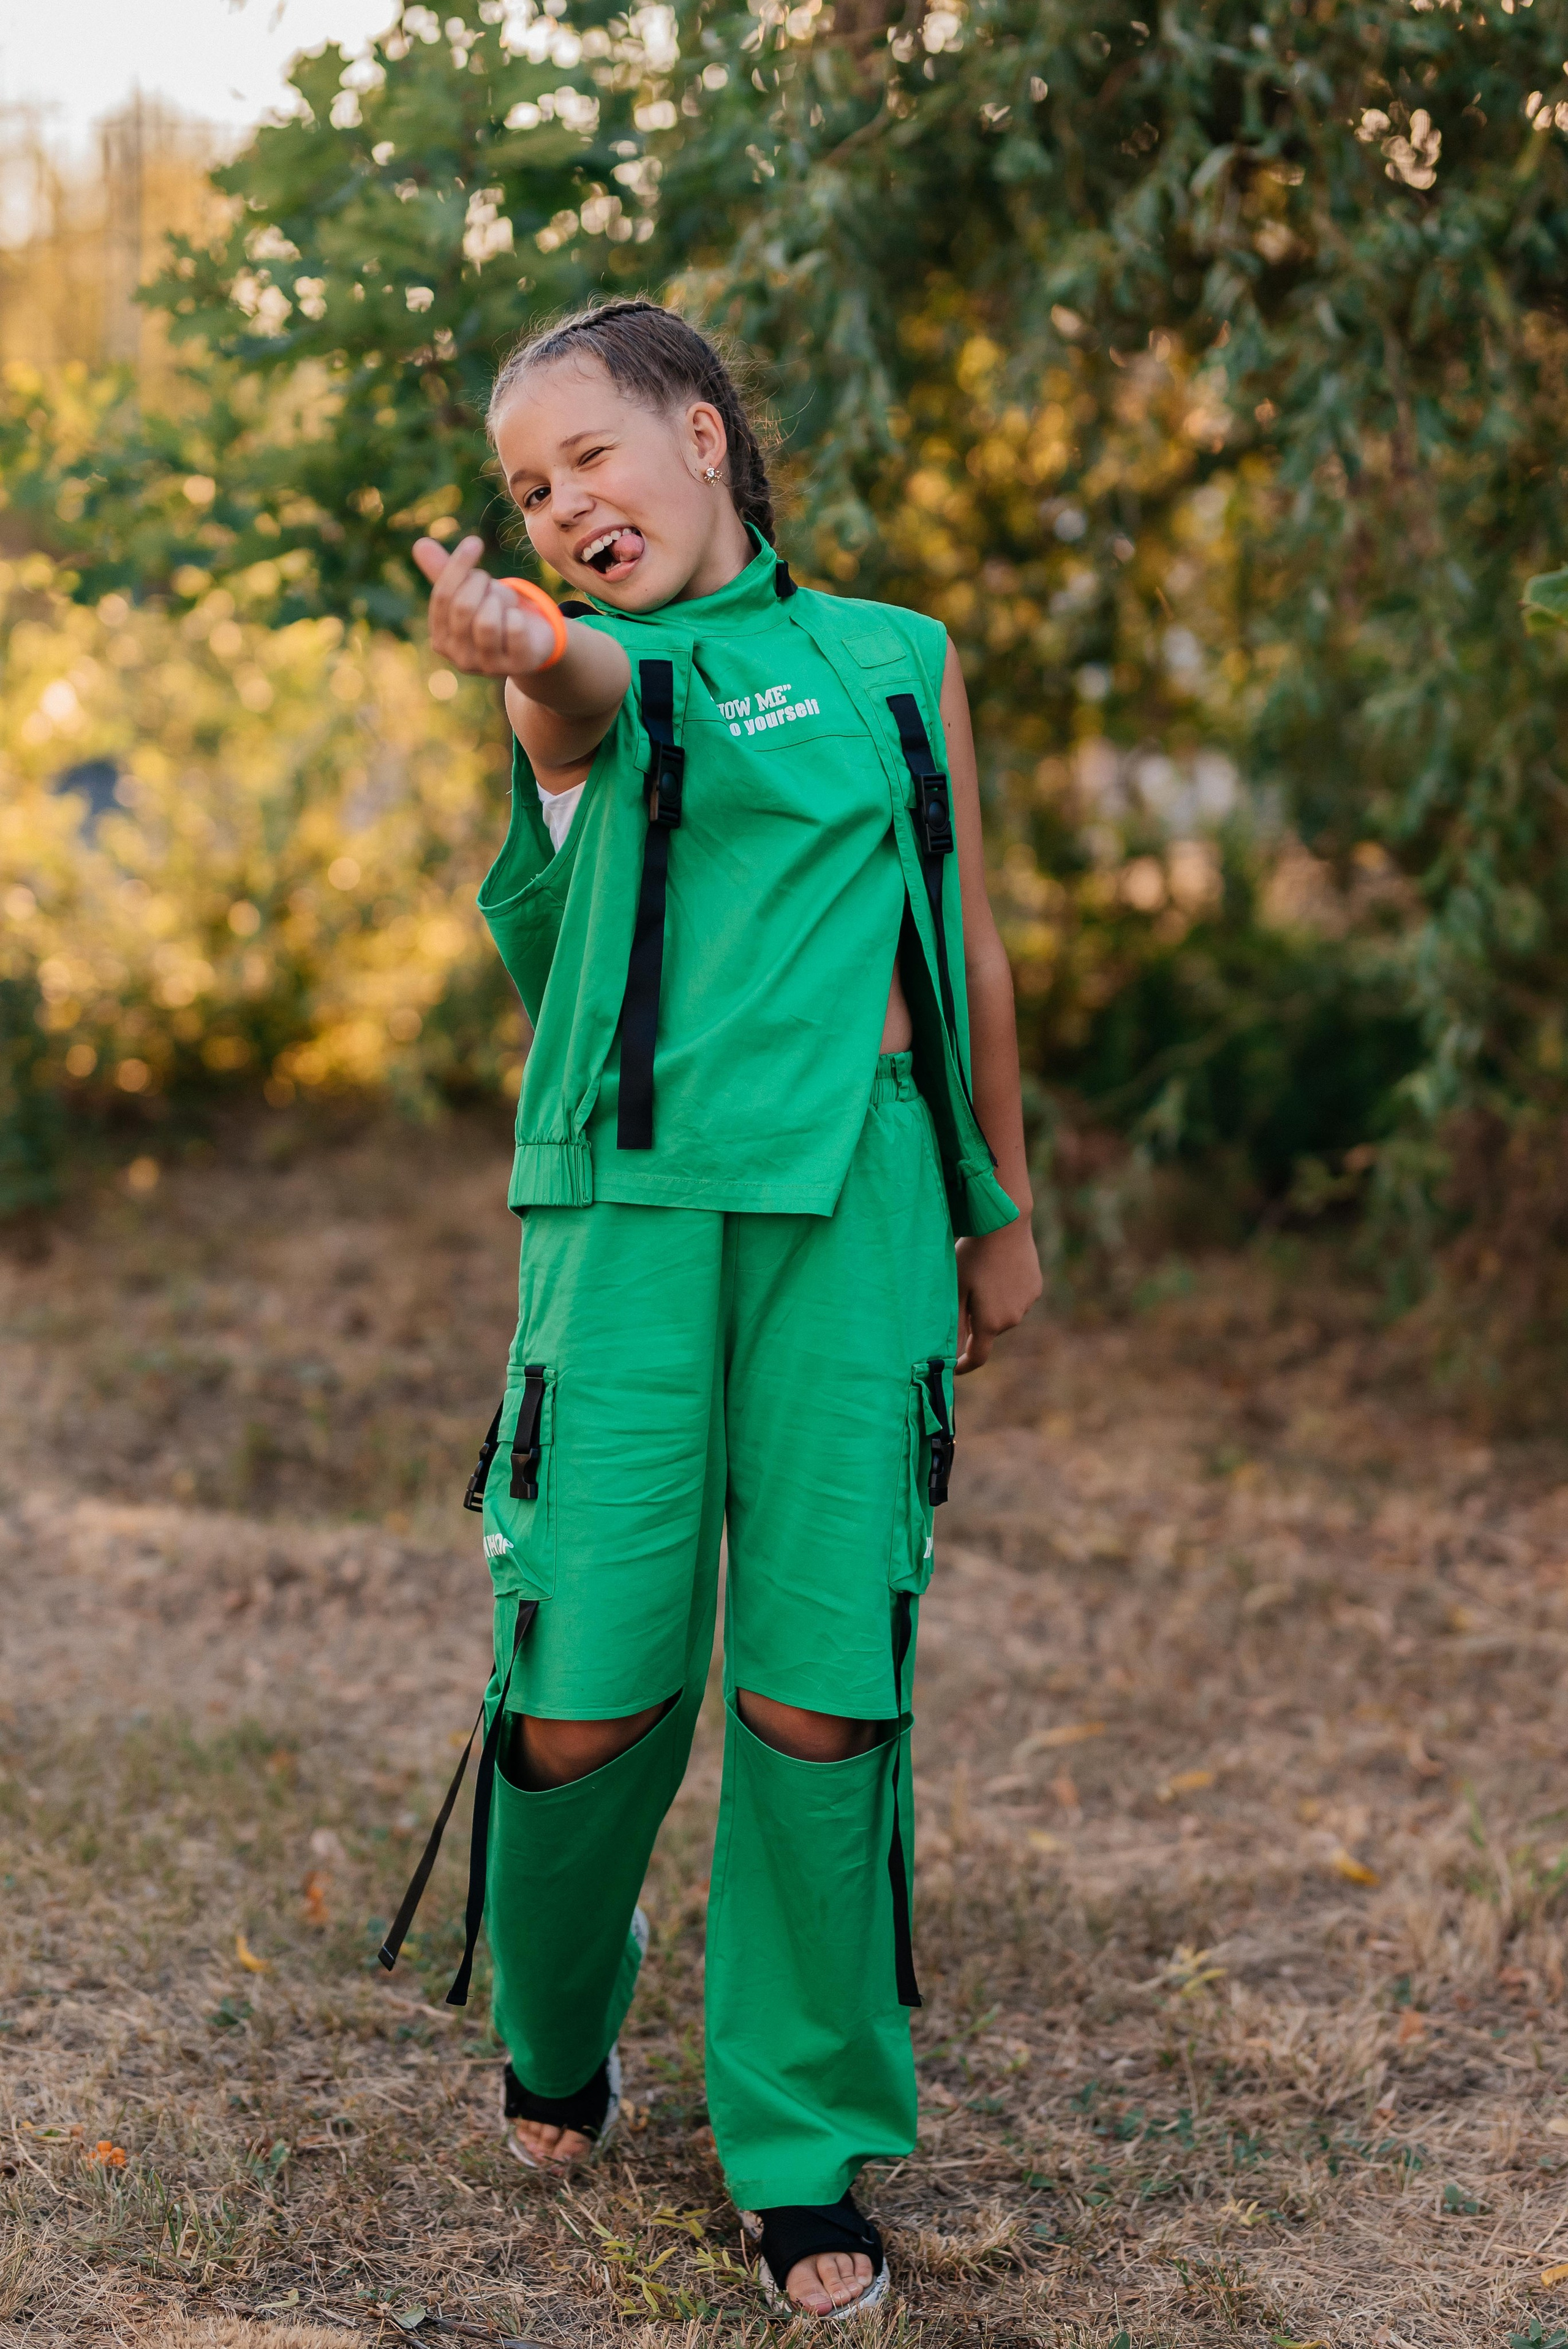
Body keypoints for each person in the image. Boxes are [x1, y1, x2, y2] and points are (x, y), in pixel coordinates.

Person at [407, 298, 1041, 2319]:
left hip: (854, 1206)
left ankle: (797, 2143)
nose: (566, 507)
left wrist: (994, 1201)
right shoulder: (598, 681)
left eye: (590, 457)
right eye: (528, 488)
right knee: (587, 1690)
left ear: (700, 431)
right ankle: (560, 2021)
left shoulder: (892, 657)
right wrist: (529, 647)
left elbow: (966, 939)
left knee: (820, 1684)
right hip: (628, 1218)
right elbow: (579, 685)